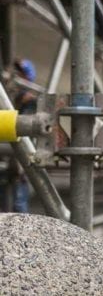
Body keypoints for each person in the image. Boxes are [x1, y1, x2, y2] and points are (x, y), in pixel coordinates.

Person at [9, 59, 37, 213]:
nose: (17, 76)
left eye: (21, 73)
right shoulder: (14, 100)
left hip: (25, 159)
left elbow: (26, 134)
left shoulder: (32, 103)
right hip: (13, 158)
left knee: (19, 203)